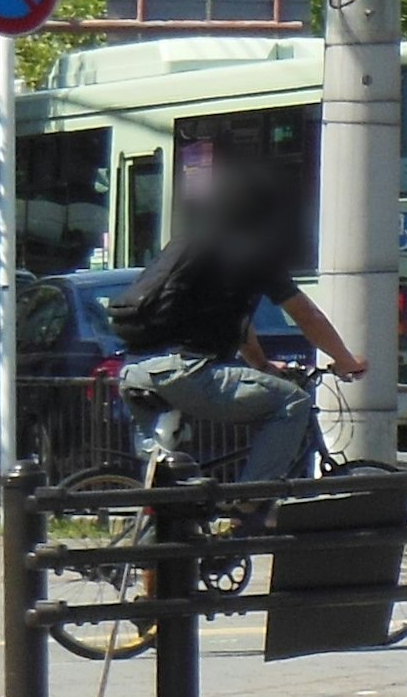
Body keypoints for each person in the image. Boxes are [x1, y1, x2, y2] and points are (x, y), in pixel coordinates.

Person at [107, 161, 363, 486]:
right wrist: (346, 361)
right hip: (185, 372)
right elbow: (307, 316)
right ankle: (248, 503)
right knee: (292, 402)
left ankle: (165, 531)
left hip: (136, 371)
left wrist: (262, 365)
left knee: (168, 484)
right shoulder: (256, 252)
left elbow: (236, 323)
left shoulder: (194, 242)